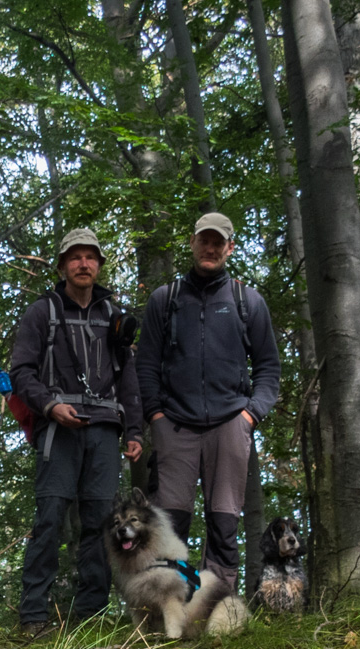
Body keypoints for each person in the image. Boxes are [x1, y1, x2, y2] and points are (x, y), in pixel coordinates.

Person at [8, 227, 144, 637]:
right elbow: (21, 373)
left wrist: (134, 429)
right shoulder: (42, 312)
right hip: (58, 431)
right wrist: (50, 405)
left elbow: (129, 378)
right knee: (49, 519)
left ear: (99, 265)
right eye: (75, 257)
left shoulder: (114, 317)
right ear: (63, 265)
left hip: (104, 432)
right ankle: (34, 617)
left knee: (101, 525)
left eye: (90, 257)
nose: (83, 264)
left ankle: (90, 619)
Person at [136, 211, 281, 587]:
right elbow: (146, 364)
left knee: (223, 526)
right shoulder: (164, 300)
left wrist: (248, 417)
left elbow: (268, 369)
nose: (211, 248)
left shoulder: (246, 301)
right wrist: (155, 415)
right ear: (193, 242)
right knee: (169, 528)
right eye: (205, 240)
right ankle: (171, 610)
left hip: (230, 425)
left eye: (219, 242)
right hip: (175, 427)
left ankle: (217, 616)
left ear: (230, 248)